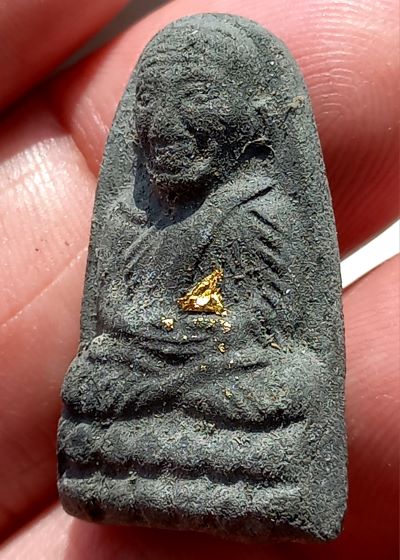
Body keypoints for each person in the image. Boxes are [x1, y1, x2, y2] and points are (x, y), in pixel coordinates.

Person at [0, 0, 398, 558]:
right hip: (142, 366)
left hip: (227, 374)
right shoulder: (129, 216)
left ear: (253, 118)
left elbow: (266, 320)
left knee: (292, 386)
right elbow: (111, 308)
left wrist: (189, 355)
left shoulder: (257, 212)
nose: (166, 125)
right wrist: (153, 343)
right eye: (149, 102)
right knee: (89, 382)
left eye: (197, 97)